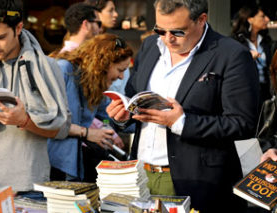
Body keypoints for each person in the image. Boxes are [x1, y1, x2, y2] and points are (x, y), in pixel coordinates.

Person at [105, 0, 258, 211]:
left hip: (196, 181)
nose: (168, 39)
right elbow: (134, 98)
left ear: (201, 20)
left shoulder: (231, 55)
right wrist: (122, 117)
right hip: (139, 176)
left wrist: (181, 123)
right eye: (160, 29)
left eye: (177, 31)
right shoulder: (150, 46)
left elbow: (243, 123)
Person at [0, 0, 70, 192]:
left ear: (18, 28)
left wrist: (24, 121)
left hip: (26, 185)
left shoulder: (47, 68)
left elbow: (62, 129)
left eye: (0, 37)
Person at [48, 34, 131, 182]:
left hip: (72, 165)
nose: (121, 77)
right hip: (52, 165)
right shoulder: (64, 69)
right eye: (120, 70)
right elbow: (46, 119)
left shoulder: (92, 84)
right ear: (104, 63)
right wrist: (86, 133)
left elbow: (109, 113)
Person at [232, 4, 275, 102]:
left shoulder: (266, 42)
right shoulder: (237, 42)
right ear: (250, 19)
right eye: (262, 16)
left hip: (265, 94)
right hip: (244, 94)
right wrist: (247, 57)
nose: (267, 19)